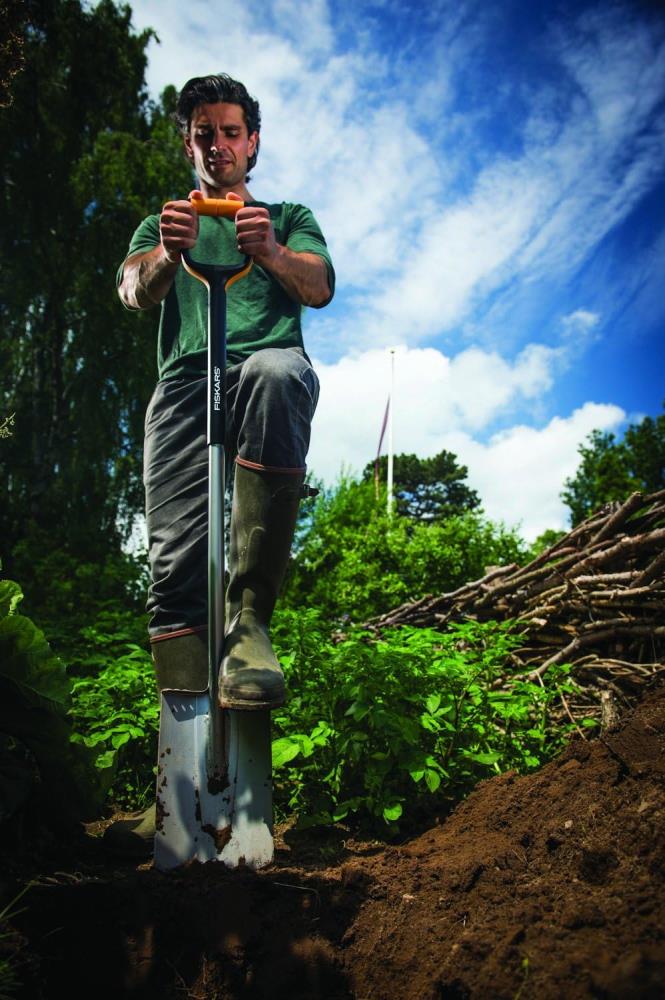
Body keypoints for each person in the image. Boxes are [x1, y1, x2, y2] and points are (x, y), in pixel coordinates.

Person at [104, 73, 335, 856]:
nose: (218, 143)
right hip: (181, 385)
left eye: (231, 131)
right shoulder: (162, 220)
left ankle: (251, 623)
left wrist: (266, 249)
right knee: (173, 571)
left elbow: (319, 287)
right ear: (189, 143)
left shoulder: (287, 218)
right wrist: (167, 257)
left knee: (277, 372)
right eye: (203, 131)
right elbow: (132, 293)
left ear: (252, 142)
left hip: (256, 370)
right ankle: (175, 785)